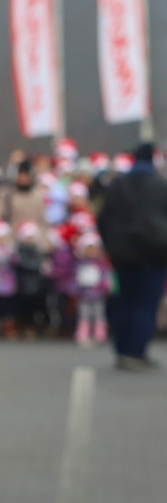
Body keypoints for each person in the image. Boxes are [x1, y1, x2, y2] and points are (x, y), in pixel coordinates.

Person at [97, 142, 167, 370]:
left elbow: (102, 219)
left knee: (124, 301)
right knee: (145, 304)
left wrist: (111, 246)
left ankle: (122, 350)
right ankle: (137, 351)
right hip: (154, 254)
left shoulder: (118, 184)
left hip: (122, 256)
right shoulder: (160, 185)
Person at [72, 232, 112, 346]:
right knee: (84, 314)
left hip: (98, 294)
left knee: (99, 314)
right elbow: (75, 279)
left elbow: (106, 278)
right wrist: (76, 289)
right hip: (84, 295)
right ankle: (83, 334)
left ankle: (99, 335)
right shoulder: (79, 263)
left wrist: (104, 287)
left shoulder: (101, 264)